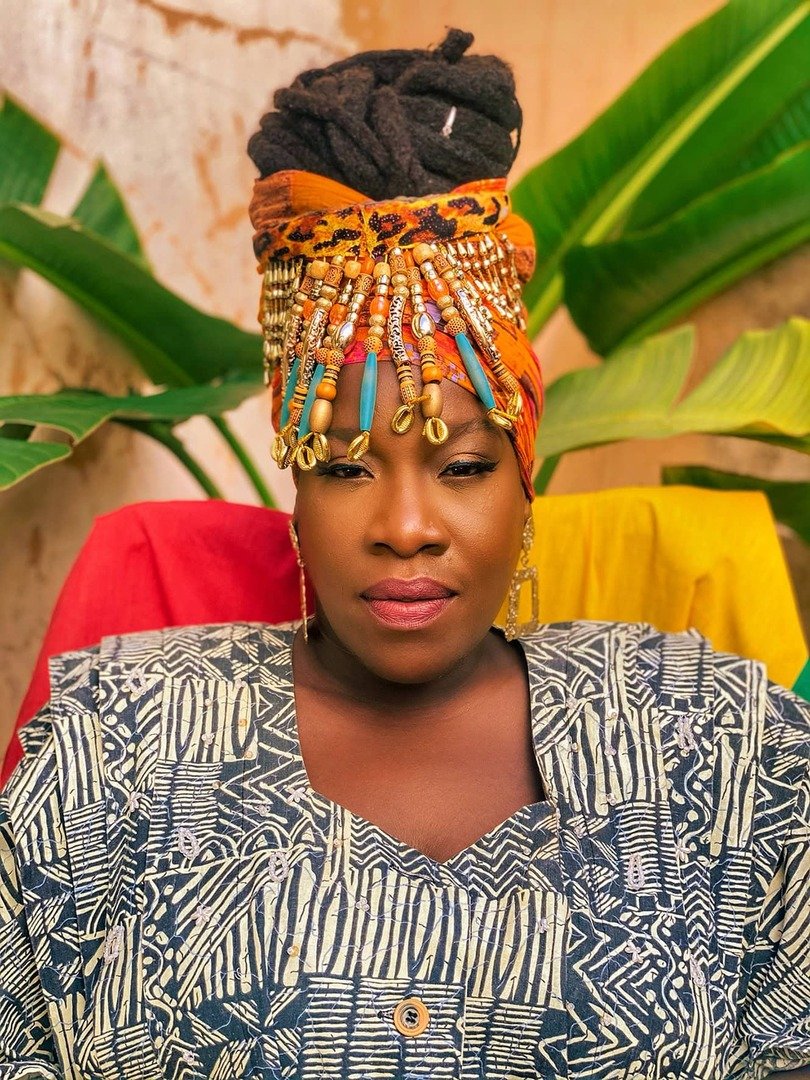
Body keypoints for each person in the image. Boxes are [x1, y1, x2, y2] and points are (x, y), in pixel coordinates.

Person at [1, 30, 808, 1080]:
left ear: (524, 472)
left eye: (463, 466)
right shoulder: (114, 747)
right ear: (294, 484)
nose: (408, 524)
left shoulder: (712, 741)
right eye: (345, 467)